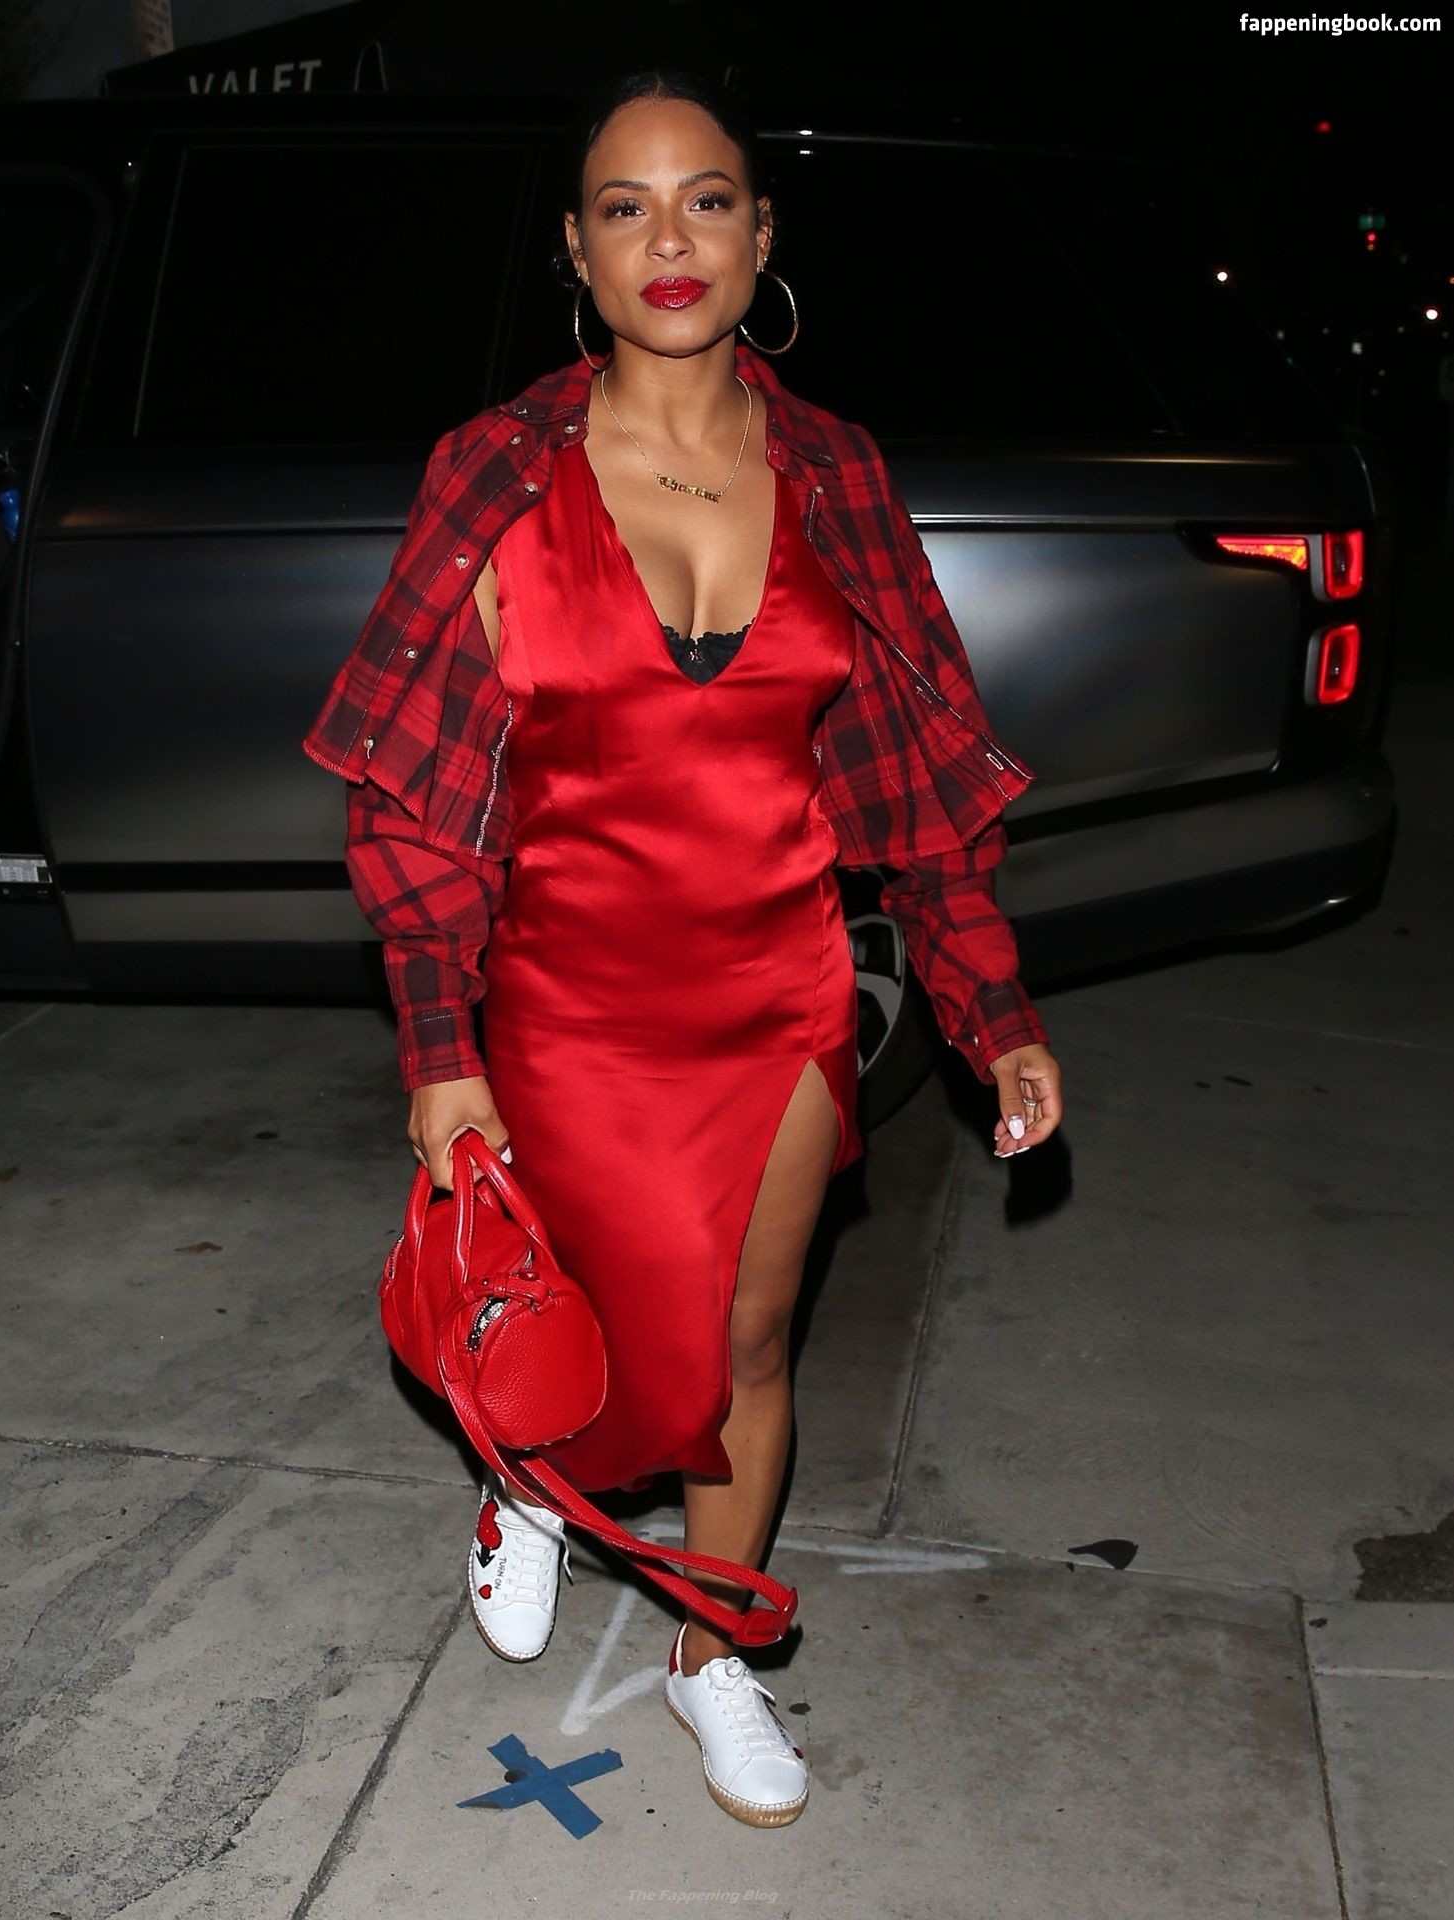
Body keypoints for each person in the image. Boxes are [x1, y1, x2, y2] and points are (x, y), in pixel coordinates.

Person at [303, 68, 1063, 1830]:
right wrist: (439, 1051)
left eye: (706, 199)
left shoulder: (839, 473)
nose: (669, 239)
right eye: (624, 207)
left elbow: (920, 776)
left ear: (760, 236)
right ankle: (527, 1482)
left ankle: (712, 1654)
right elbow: (411, 805)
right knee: (567, 1322)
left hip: (778, 990)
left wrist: (989, 1005)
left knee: (747, 1345)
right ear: (575, 254)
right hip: (560, 1004)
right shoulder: (495, 473)